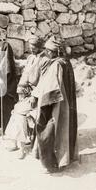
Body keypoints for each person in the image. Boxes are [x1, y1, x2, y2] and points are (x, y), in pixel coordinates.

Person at [32, 36, 78, 173]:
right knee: (64, 130)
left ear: (55, 52)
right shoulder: (67, 63)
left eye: (49, 51)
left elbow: (50, 88)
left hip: (55, 104)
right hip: (66, 104)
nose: (47, 53)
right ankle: (63, 160)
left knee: (50, 131)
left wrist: (40, 101)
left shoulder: (56, 65)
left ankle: (52, 164)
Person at [4, 36, 48, 159]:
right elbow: (25, 75)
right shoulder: (31, 58)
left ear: (40, 47)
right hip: (27, 94)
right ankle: (16, 141)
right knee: (16, 110)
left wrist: (34, 95)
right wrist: (20, 90)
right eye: (30, 47)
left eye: (33, 48)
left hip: (38, 96)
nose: (31, 49)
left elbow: (44, 82)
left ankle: (22, 147)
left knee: (18, 113)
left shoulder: (45, 60)